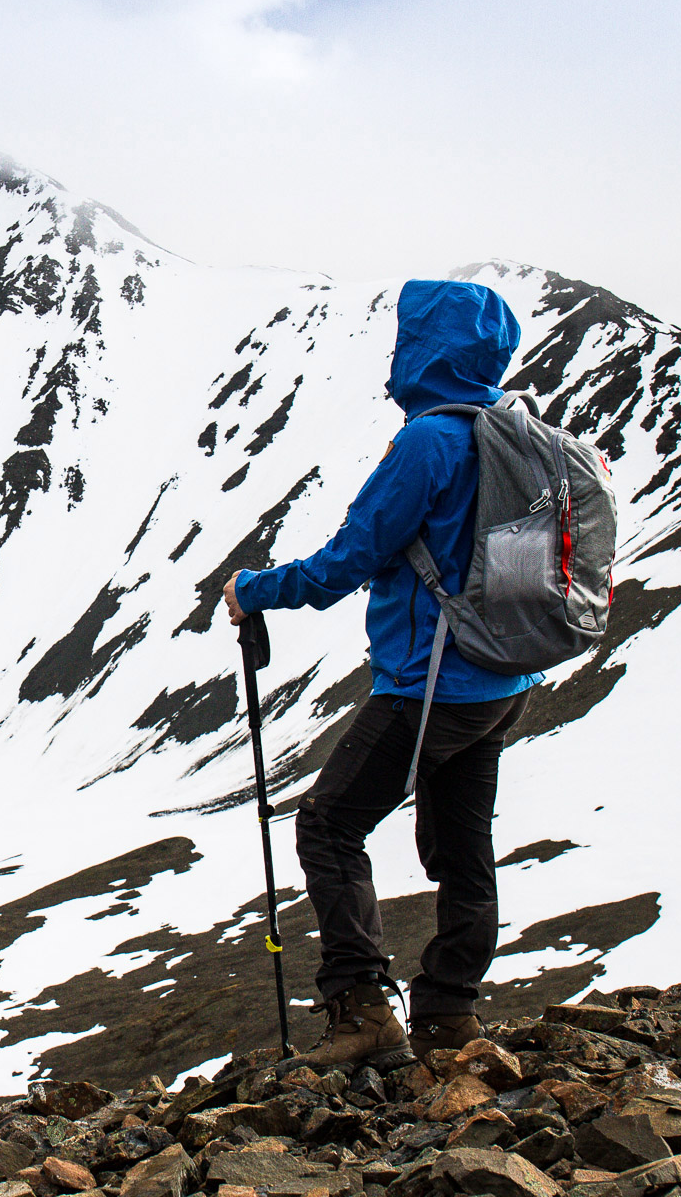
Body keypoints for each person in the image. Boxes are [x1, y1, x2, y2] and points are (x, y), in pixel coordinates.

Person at [221, 279, 539, 1070]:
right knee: (463, 848)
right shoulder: (510, 430)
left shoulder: (431, 442)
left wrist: (253, 588)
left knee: (329, 824)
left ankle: (363, 1010)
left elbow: (349, 560)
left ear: (424, 350)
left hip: (430, 687)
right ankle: (447, 1015)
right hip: (500, 685)